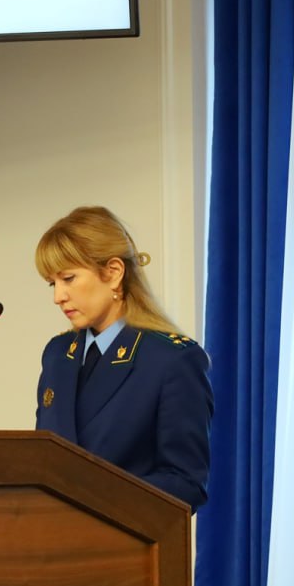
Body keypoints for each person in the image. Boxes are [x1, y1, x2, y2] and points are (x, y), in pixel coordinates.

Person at [33, 206, 212, 511]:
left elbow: (186, 482)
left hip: (128, 550)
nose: (58, 296)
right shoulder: (58, 354)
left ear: (113, 272)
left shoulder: (171, 359)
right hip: (54, 544)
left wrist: (96, 494)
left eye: (68, 278)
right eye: (53, 283)